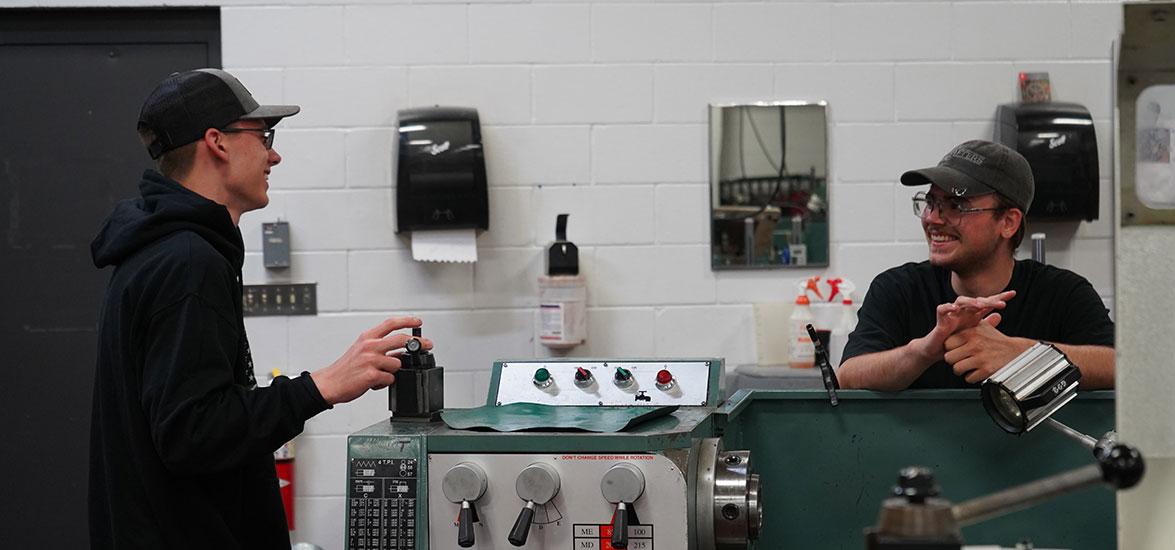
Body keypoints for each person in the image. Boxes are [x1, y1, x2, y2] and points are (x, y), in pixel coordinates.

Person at [89, 68, 426, 548]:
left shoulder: (162, 251)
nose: (274, 154)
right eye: (263, 135)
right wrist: (321, 386)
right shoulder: (187, 262)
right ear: (217, 143)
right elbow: (193, 433)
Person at [838, 140, 1114, 391]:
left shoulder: (1063, 294)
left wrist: (1022, 356)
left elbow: (1118, 367)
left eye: (957, 205)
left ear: (1008, 222)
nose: (933, 218)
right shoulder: (899, 289)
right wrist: (923, 351)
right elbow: (848, 376)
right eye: (931, 202)